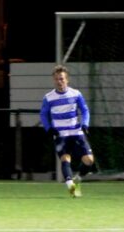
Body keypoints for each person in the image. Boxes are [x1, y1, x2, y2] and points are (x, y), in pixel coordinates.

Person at [39, 65, 98, 197]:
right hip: (60, 134)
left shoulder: (76, 94)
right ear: (53, 80)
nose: (59, 82)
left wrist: (85, 124)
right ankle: (71, 187)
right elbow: (43, 114)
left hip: (76, 132)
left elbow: (85, 110)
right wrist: (49, 128)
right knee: (65, 159)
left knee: (89, 160)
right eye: (56, 79)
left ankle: (78, 179)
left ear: (67, 80)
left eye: (61, 79)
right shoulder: (48, 97)